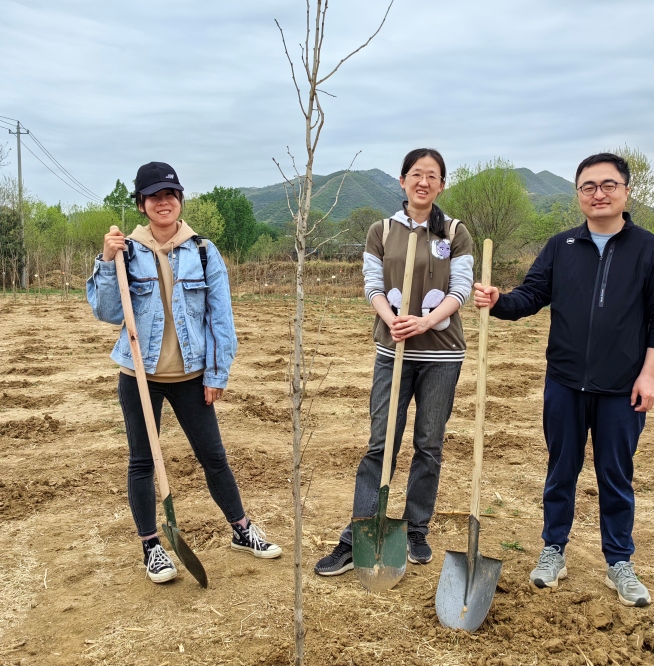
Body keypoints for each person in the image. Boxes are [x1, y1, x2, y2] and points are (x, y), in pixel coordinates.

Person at [474, 152, 654, 607]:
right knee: (560, 469)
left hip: (622, 388)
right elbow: (531, 296)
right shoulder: (561, 247)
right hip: (565, 383)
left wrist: (649, 376)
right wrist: (498, 299)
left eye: (608, 185)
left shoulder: (649, 250)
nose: (598, 193)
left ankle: (619, 561)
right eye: (588, 186)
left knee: (615, 475)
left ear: (626, 191)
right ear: (578, 195)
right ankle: (553, 551)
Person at [86, 161, 281, 583]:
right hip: (139, 376)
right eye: (154, 196)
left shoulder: (204, 251)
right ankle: (152, 546)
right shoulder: (125, 252)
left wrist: (217, 373)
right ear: (141, 204)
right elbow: (106, 312)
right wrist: (106, 260)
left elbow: (221, 318)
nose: (163, 202)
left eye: (170, 194)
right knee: (141, 462)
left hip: (192, 376)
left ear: (180, 200)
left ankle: (242, 530)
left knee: (213, 457)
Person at [315, 148, 474, 576]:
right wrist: (392, 320)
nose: (424, 182)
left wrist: (423, 324)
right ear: (402, 181)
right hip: (393, 351)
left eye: (433, 176)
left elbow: (460, 291)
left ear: (442, 185)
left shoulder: (454, 232)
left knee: (429, 445)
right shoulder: (381, 231)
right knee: (380, 444)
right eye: (416, 174)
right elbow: (373, 286)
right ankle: (358, 536)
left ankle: (416, 530)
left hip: (441, 354)